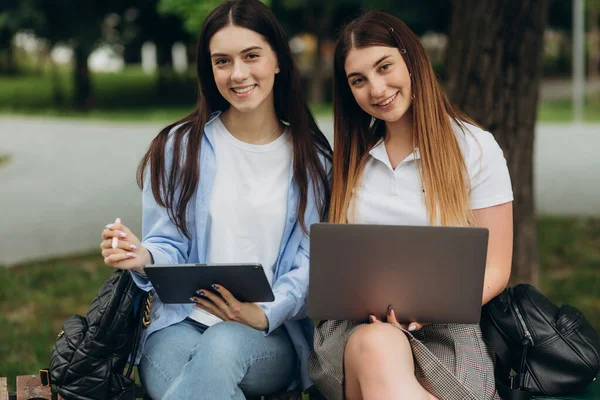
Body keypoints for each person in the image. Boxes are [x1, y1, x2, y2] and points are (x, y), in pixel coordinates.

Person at [99, 1, 331, 398]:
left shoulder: (314, 162)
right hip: (179, 327)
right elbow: (167, 244)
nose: (237, 74)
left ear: (278, 60)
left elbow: (310, 265)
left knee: (221, 347)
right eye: (222, 61)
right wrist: (144, 257)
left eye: (251, 56)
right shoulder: (177, 147)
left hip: (266, 332)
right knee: (194, 377)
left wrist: (259, 314)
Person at [308, 11, 513, 400]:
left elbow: (497, 268)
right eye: (359, 80)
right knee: (377, 344)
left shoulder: (474, 148)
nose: (377, 88)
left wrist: (430, 306)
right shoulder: (353, 162)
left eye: (385, 67)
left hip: (446, 331)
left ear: (412, 59)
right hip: (354, 331)